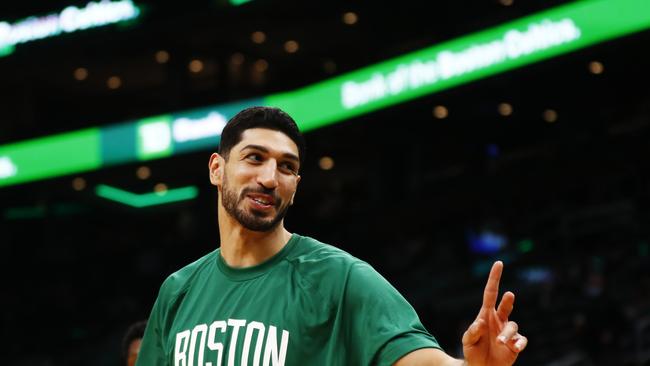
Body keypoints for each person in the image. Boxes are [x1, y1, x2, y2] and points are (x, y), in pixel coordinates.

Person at [136, 106, 527, 365]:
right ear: (217, 169)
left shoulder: (339, 277)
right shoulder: (178, 291)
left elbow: (418, 359)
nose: (270, 178)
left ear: (296, 184)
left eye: (286, 167)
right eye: (254, 158)